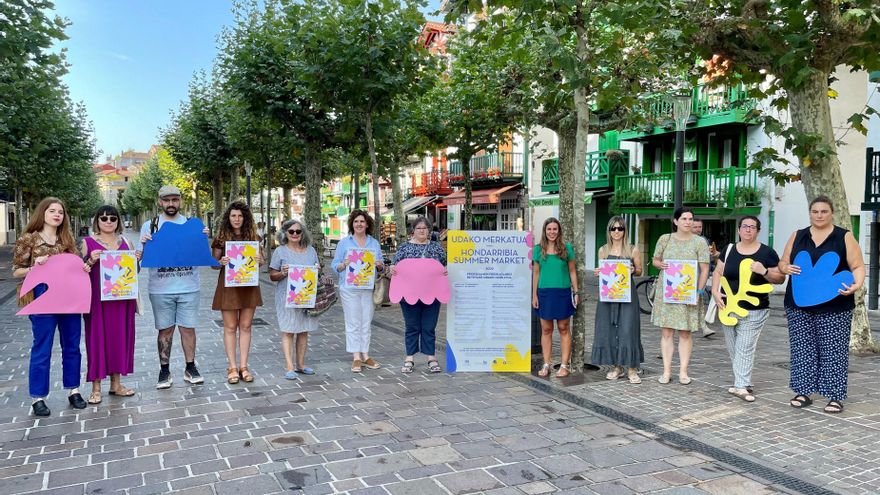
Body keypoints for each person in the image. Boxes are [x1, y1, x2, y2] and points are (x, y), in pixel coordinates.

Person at [778, 196, 865, 414]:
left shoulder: (843, 236)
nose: (819, 215)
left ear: (831, 212)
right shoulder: (798, 235)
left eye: (823, 211)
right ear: (810, 213)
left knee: (833, 351)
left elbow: (857, 265)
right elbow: (783, 261)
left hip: (836, 305)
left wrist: (857, 285)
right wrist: (785, 268)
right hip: (798, 304)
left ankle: (835, 396)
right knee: (801, 349)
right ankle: (803, 391)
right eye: (815, 211)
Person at [12, 197, 90, 416]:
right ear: (42, 213)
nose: (57, 215)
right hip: (42, 295)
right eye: (52, 211)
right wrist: (34, 267)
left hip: (70, 297)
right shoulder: (29, 239)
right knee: (42, 347)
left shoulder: (67, 238)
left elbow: (75, 266)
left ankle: (73, 390)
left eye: (61, 212)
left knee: (72, 346)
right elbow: (16, 271)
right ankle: (38, 397)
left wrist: (83, 267)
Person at [137, 185, 209, 389]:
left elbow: (205, 255)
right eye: (166, 200)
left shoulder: (193, 225)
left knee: (188, 329)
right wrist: (140, 250)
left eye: (175, 200)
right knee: (165, 330)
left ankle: (190, 367)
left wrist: (204, 239)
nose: (171, 204)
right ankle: (164, 370)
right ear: (159, 202)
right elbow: (138, 262)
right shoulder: (149, 226)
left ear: (180, 201)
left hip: (189, 286)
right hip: (160, 289)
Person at [712, 216, 785, 402]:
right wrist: (714, 291)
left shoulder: (767, 253)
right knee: (733, 347)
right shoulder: (729, 250)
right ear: (739, 230)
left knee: (744, 347)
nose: (748, 230)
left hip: (755, 308)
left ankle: (741, 386)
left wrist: (764, 271)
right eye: (744, 226)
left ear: (758, 231)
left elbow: (780, 279)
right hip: (727, 306)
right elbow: (719, 272)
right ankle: (743, 380)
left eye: (752, 227)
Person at [81, 205, 139, 404]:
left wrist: (137, 261)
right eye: (104, 218)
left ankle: (116, 384)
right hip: (96, 301)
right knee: (96, 340)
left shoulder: (127, 242)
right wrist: (89, 261)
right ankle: (96, 387)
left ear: (118, 221)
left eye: (112, 218)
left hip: (121, 299)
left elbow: (133, 273)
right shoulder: (86, 243)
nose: (108, 222)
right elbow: (79, 273)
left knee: (119, 339)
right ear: (96, 220)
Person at [651, 207, 710, 385]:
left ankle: (683, 371)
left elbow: (705, 268)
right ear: (676, 221)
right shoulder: (665, 239)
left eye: (690, 219)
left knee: (685, 333)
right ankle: (667, 371)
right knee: (667, 331)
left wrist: (699, 291)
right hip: (668, 291)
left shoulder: (699, 242)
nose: (688, 222)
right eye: (684, 218)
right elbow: (655, 260)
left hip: (688, 292)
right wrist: (660, 264)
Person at [212, 201, 264, 384]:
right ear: (228, 217)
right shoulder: (221, 237)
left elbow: (262, 261)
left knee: (246, 326)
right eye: (233, 215)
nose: (237, 219)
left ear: (245, 218)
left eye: (240, 216)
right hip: (229, 287)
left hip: (248, 286)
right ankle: (232, 367)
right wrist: (221, 261)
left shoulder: (254, 237)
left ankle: (244, 366)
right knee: (230, 327)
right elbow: (212, 263)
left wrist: (259, 259)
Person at [389, 216, 447, 373]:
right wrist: (392, 269)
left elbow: (444, 266)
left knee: (429, 326)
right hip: (409, 295)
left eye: (425, 228)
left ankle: (431, 357)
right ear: (413, 231)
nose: (422, 230)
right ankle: (409, 357)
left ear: (429, 230)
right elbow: (395, 266)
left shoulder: (436, 248)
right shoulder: (404, 248)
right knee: (412, 326)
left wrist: (446, 271)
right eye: (419, 228)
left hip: (432, 294)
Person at [591, 216, 643, 384]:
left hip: (628, 296)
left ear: (624, 230)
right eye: (613, 228)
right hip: (609, 295)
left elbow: (640, 271)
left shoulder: (632, 249)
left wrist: (633, 269)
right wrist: (598, 272)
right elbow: (603, 273)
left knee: (628, 329)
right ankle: (617, 367)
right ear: (609, 231)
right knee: (610, 329)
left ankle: (632, 368)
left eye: (620, 228)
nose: (616, 232)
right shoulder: (603, 250)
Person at [332, 209, 385, 372]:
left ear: (367, 224)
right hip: (349, 288)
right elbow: (335, 266)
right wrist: (344, 264)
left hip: (367, 287)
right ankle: (356, 356)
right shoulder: (344, 243)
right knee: (353, 321)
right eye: (356, 221)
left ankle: (365, 354)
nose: (359, 224)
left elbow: (381, 265)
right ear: (352, 224)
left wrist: (378, 265)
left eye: (362, 221)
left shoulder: (374, 243)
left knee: (366, 321)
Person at [269, 219, 320, 379]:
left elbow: (316, 271)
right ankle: (290, 366)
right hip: (286, 297)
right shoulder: (280, 252)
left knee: (303, 330)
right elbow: (272, 275)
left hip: (306, 295)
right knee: (289, 330)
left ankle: (301, 364)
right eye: (291, 231)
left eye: (298, 231)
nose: (295, 234)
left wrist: (318, 270)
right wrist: (283, 273)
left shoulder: (311, 250)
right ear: (285, 233)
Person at [532, 217, 579, 378]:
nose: (552, 232)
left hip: (562, 292)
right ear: (544, 231)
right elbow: (536, 273)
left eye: (555, 229)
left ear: (559, 231)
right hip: (544, 293)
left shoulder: (566, 249)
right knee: (546, 329)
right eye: (549, 229)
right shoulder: (538, 250)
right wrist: (534, 295)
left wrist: (576, 292)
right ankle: (546, 364)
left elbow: (572, 271)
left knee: (564, 328)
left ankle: (564, 366)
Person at [692, 218, 718, 338]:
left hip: (700, 275)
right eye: (695, 227)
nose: (698, 230)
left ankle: (703, 327)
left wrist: (712, 255)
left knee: (699, 301)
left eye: (699, 227)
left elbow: (708, 259)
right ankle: (693, 325)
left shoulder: (703, 240)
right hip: (687, 276)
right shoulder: (685, 240)